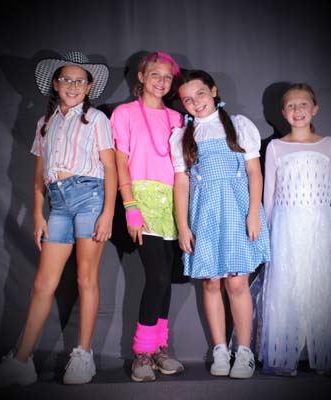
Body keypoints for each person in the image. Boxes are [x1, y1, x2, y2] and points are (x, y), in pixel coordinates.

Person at [0, 51, 117, 387]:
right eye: (66, 79)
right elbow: (39, 174)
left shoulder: (96, 119)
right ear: (55, 84)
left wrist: (108, 212)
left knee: (86, 277)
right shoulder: (45, 123)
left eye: (79, 81)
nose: (72, 86)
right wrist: (39, 214)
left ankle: (83, 355)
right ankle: (22, 361)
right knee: (43, 283)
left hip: (90, 197)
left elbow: (110, 167)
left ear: (89, 87)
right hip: (59, 204)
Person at [170, 69, 270, 379]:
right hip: (205, 215)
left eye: (200, 94)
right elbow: (181, 183)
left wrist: (253, 214)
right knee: (211, 283)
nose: (195, 102)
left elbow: (254, 172)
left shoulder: (238, 125)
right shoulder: (182, 136)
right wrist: (183, 226)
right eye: (187, 99)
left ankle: (244, 350)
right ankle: (220, 349)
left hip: (237, 211)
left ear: (213, 91)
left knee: (237, 283)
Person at [258, 83, 331, 376]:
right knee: (285, 289)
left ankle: (324, 356)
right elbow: (269, 194)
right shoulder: (275, 147)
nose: (297, 110)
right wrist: (267, 238)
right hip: (285, 230)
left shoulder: (327, 144)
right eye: (291, 105)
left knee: (319, 288)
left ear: (314, 109)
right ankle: (282, 356)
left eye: (303, 104)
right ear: (282, 112)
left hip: (319, 230)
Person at [110, 51, 185, 382]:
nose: (162, 82)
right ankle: (142, 352)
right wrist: (130, 206)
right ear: (141, 77)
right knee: (156, 276)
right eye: (155, 74)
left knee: (166, 279)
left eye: (168, 77)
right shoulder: (124, 113)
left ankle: (160, 348)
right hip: (142, 198)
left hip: (173, 202)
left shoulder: (177, 118)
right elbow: (120, 162)